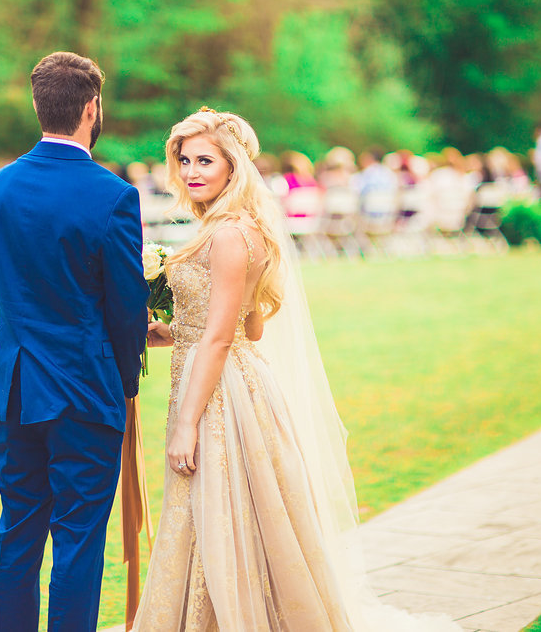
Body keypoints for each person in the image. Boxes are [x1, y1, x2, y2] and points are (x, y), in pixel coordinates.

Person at [134, 108, 459, 631]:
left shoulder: (228, 236)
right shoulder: (239, 227)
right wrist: (171, 330)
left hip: (220, 392)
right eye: (185, 160)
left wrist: (188, 423)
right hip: (230, 372)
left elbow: (221, 337)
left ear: (233, 167)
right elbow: (251, 326)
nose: (193, 171)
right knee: (236, 510)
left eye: (206, 161)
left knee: (217, 507)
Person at [0, 51, 149, 631]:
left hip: (14, 387)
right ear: (92, 108)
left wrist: (26, 341)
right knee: (77, 538)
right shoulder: (113, 196)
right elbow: (126, 312)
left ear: (37, 104)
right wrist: (125, 383)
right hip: (86, 392)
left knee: (18, 528)